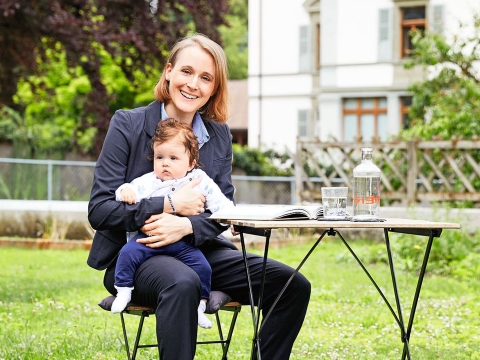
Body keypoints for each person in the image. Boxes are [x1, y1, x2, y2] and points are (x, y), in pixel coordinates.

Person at [87, 33, 311, 360]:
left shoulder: (219, 135)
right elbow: (100, 210)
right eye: (187, 72)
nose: (194, 84)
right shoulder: (128, 124)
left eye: (206, 78)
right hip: (136, 254)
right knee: (184, 282)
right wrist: (169, 205)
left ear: (214, 89)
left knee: (292, 285)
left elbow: (220, 213)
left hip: (199, 251)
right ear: (168, 72)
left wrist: (188, 228)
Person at [111, 118, 235, 330]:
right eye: (160, 157)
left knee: (202, 267)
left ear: (191, 163)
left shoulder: (198, 180)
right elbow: (123, 190)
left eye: (173, 158)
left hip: (184, 244)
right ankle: (123, 291)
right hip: (149, 239)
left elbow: (221, 203)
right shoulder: (149, 181)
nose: (165, 163)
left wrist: (233, 218)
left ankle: (200, 305)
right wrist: (126, 192)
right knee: (127, 254)